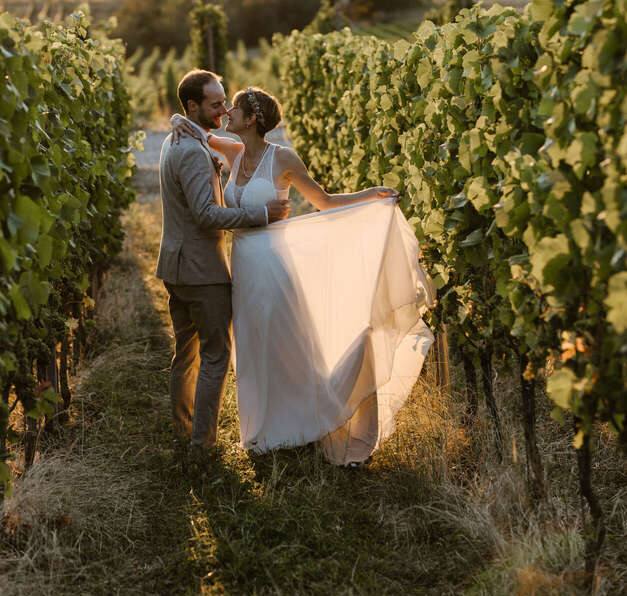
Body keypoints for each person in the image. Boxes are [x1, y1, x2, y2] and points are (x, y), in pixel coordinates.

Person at [171, 85, 434, 465]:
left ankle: (304, 426)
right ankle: (264, 433)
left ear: (252, 119)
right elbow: (197, 130)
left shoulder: (284, 158)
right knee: (253, 348)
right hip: (243, 267)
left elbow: (324, 201)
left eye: (235, 108)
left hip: (275, 266)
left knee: (288, 346)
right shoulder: (234, 150)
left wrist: (370, 194)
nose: (227, 111)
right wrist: (178, 120)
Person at [156, 70, 290, 450]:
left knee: (185, 355)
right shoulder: (191, 149)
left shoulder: (176, 137)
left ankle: (185, 435)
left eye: (224, 103)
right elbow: (206, 214)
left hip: (175, 267)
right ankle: (202, 447)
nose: (222, 110)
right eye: (215, 105)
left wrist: (177, 118)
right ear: (193, 106)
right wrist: (261, 215)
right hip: (202, 272)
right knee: (215, 357)